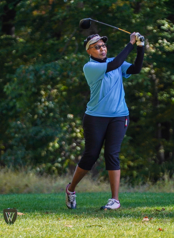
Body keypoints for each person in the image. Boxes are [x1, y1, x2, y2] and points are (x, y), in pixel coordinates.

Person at [63, 31, 145, 211]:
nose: (102, 49)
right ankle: (71, 189)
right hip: (95, 117)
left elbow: (135, 69)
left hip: (119, 116)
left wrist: (140, 47)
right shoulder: (90, 67)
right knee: (90, 156)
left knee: (112, 154)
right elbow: (115, 64)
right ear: (89, 51)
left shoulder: (114, 61)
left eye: (103, 46)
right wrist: (130, 43)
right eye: (97, 47)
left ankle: (115, 200)